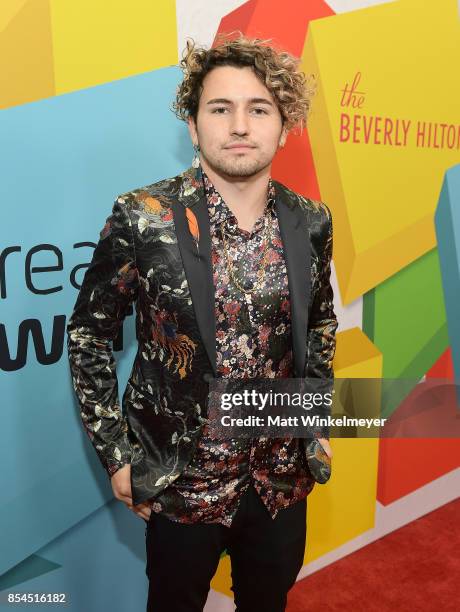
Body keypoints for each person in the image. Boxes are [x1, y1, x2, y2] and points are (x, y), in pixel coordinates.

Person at [66, 32, 338, 612]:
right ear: (193, 125)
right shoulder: (144, 216)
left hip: (280, 482)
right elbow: (89, 334)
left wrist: (315, 425)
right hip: (182, 484)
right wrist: (115, 455)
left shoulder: (312, 220)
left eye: (258, 108)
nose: (239, 125)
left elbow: (319, 326)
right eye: (221, 108)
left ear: (283, 127)